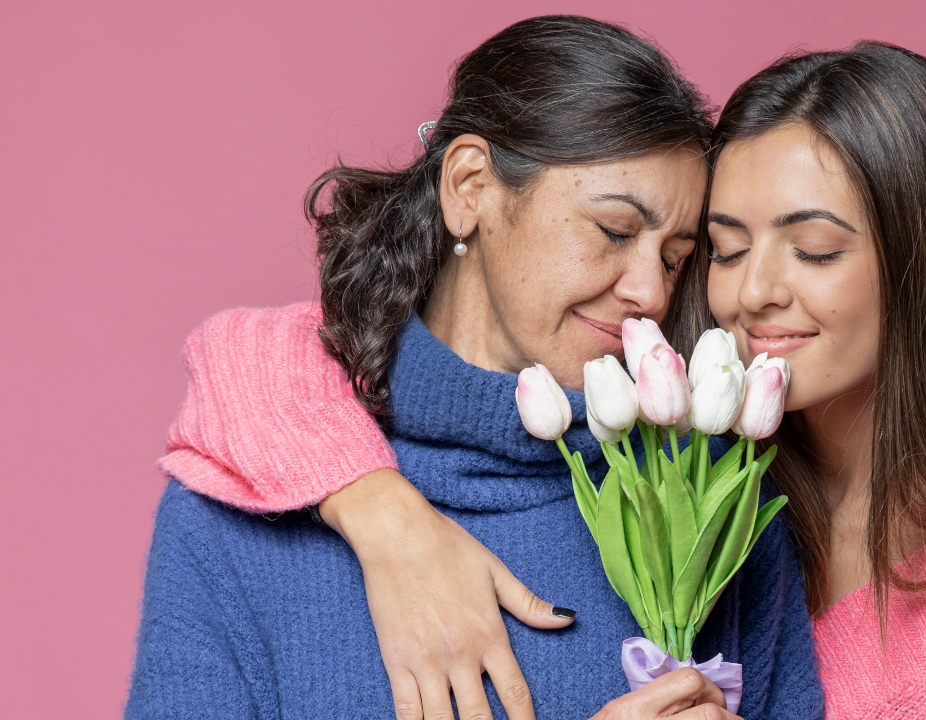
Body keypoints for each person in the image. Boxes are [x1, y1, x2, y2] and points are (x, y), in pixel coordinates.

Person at [152, 40, 926, 719]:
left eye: (814, 249)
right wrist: (389, 520)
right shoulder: (691, 458)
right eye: (724, 249)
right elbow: (260, 351)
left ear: (925, 263)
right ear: (468, 191)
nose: (748, 294)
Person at [124, 16, 823, 720]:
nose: (650, 291)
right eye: (613, 230)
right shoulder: (238, 520)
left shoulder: (714, 508)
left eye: (675, 256)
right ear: (469, 187)